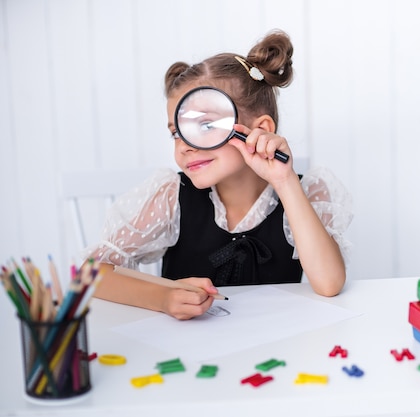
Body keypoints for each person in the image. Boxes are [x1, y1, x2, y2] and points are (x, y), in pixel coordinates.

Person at [85, 30, 353, 320]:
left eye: (206, 126)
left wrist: (284, 181)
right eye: (177, 133)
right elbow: (91, 275)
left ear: (261, 128)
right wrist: (162, 296)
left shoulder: (308, 192)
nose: (185, 146)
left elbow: (329, 284)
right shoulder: (172, 196)